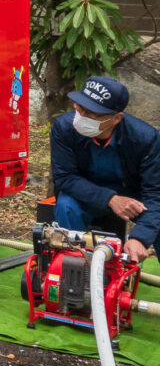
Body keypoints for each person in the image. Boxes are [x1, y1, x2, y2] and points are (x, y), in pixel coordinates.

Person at [51, 75, 160, 262]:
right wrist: (110, 199)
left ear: (116, 118)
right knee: (67, 206)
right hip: (85, 191)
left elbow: (155, 193)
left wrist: (140, 238)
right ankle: (76, 266)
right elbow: (65, 177)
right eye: (80, 107)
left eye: (93, 113)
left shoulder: (146, 139)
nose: (82, 116)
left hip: (132, 196)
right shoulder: (64, 128)